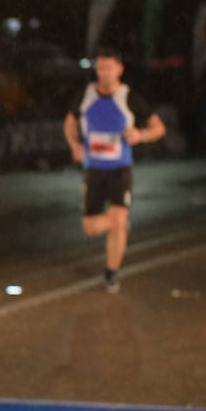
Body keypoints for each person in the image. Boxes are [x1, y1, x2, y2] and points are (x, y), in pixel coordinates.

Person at [63, 48, 166, 293]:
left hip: (120, 169)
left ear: (119, 69)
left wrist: (140, 135)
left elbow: (159, 128)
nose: (104, 73)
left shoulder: (129, 97)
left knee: (118, 222)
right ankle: (120, 223)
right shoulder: (86, 95)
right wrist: (75, 145)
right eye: (100, 68)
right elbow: (69, 123)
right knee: (91, 228)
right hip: (93, 169)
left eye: (108, 68)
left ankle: (111, 274)